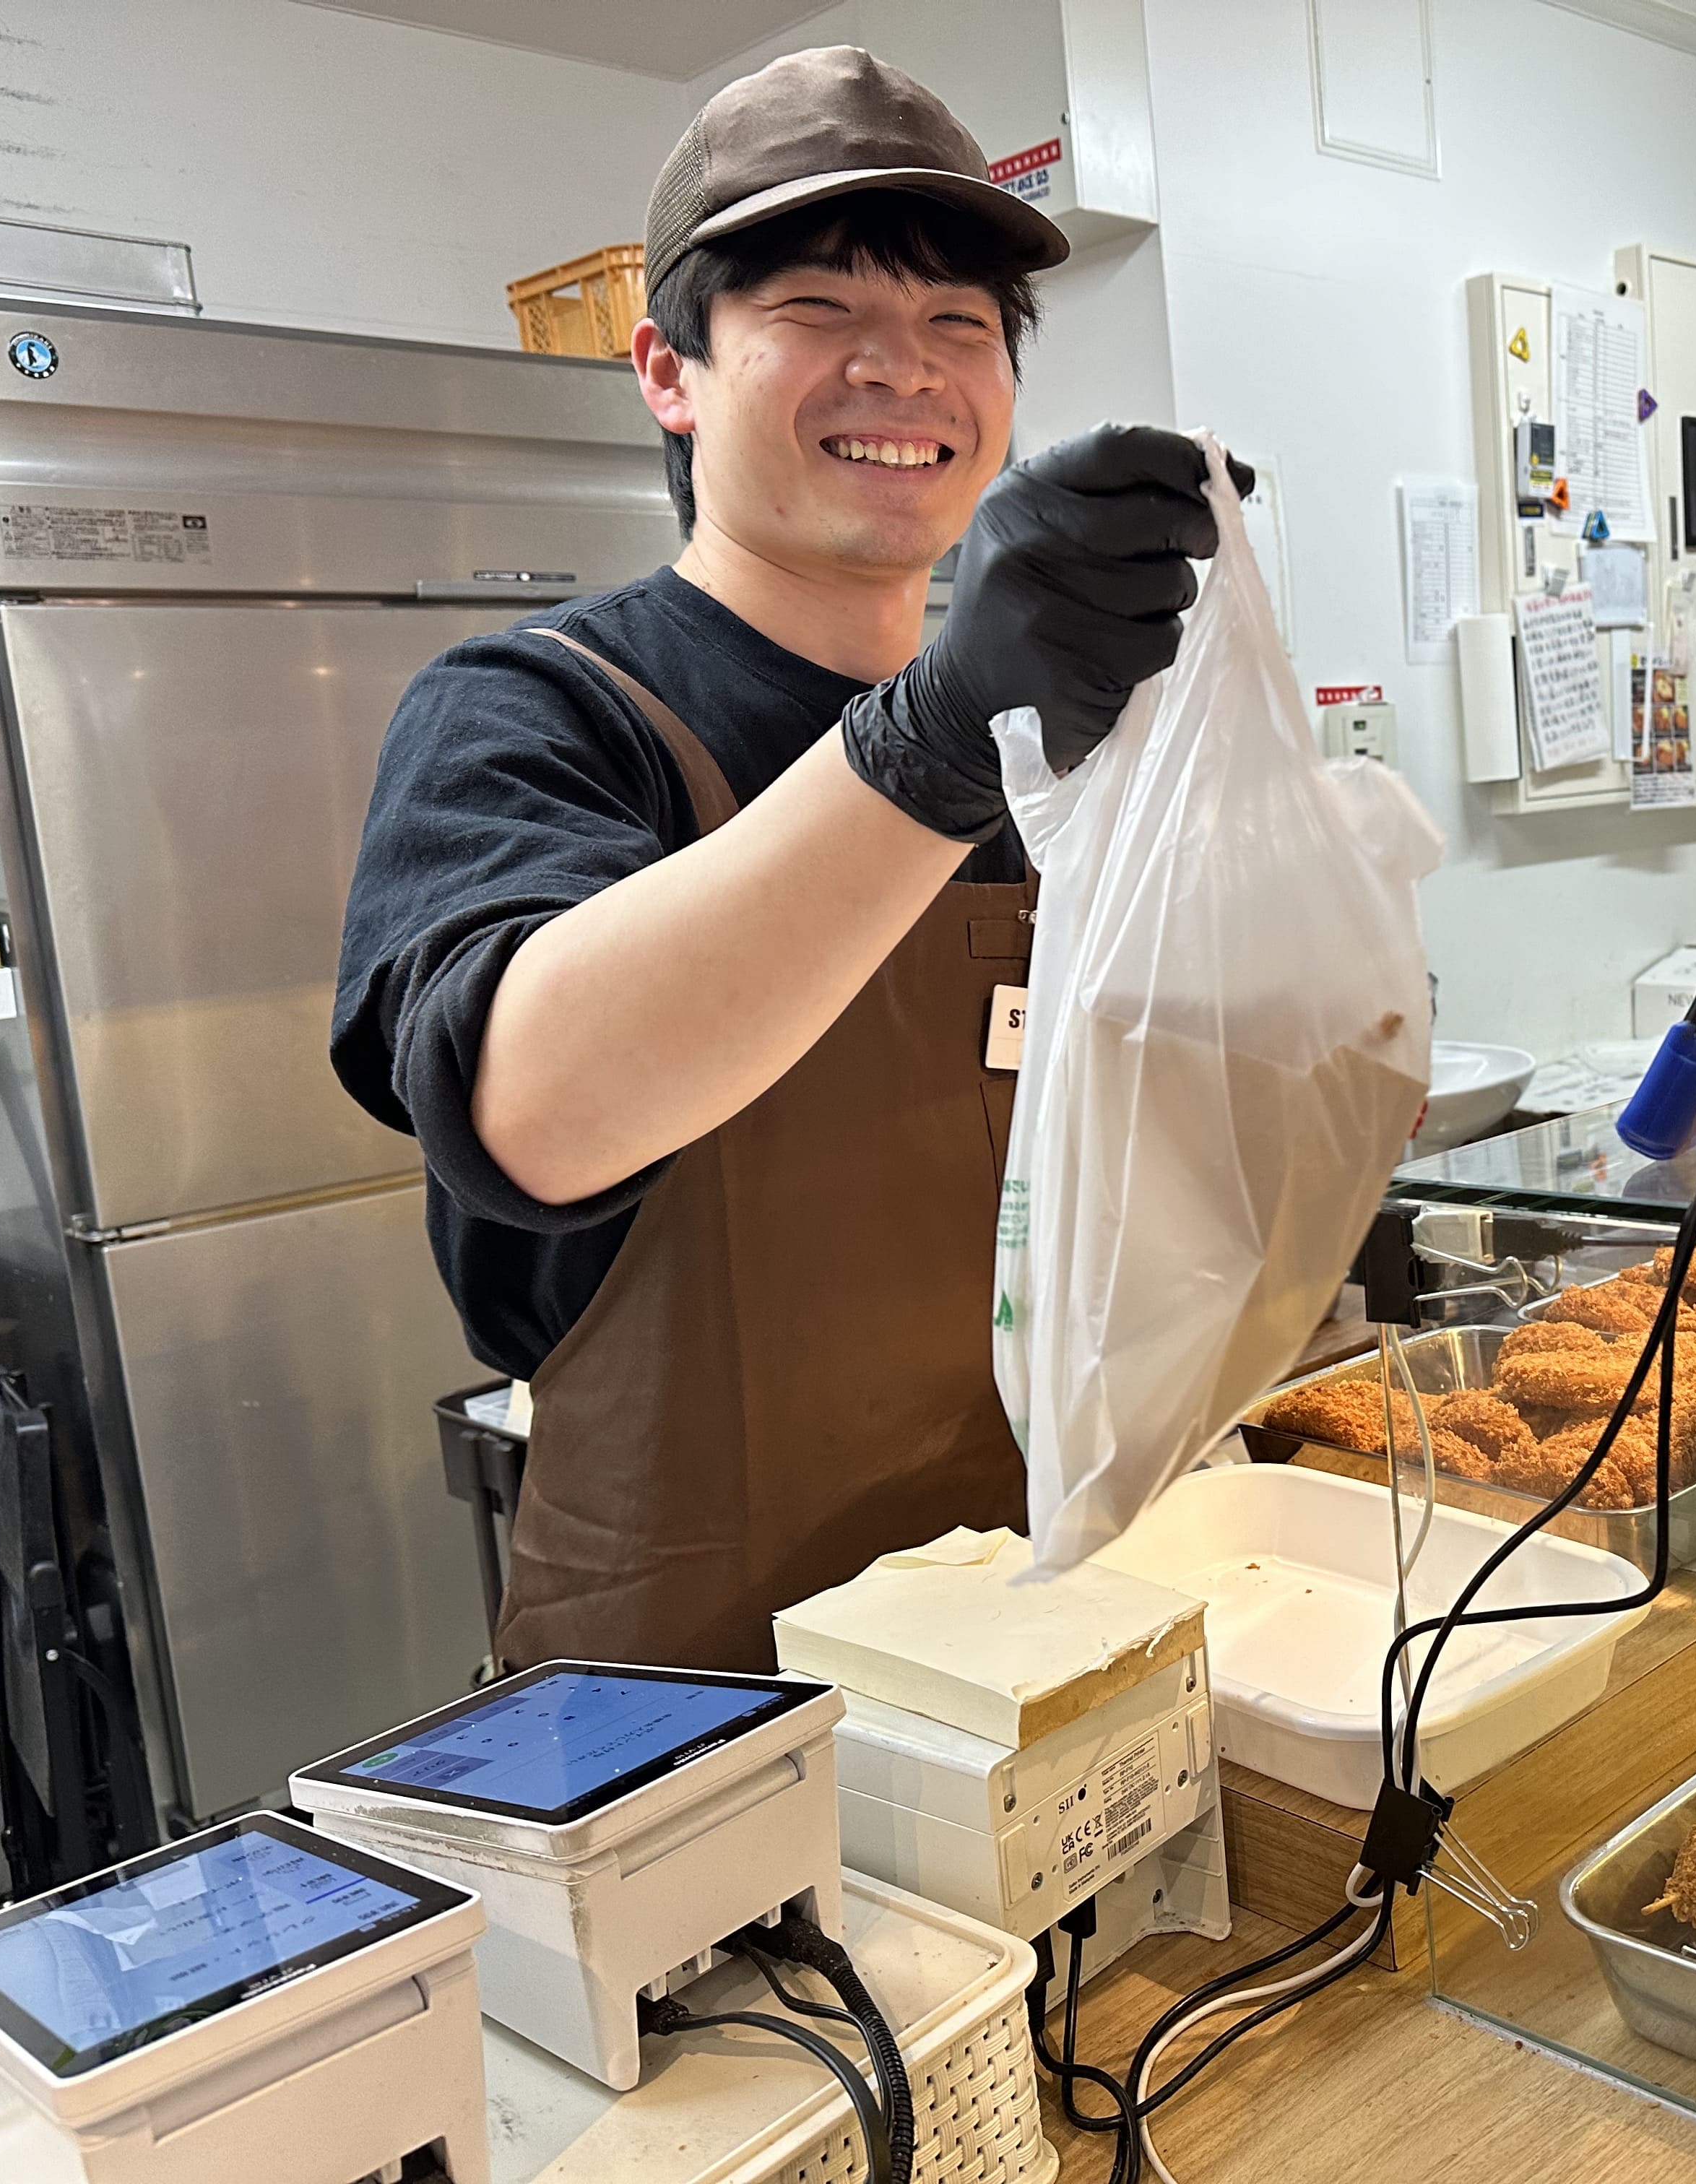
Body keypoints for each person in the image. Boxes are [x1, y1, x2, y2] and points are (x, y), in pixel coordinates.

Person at [332, 48, 1236, 1673]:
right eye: (821, 313)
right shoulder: (534, 712)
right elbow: (533, 1108)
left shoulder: (1075, 735)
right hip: (717, 1700)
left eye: (960, 327)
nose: (905, 371)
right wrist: (929, 739)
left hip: (1083, 1630)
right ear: (670, 372)